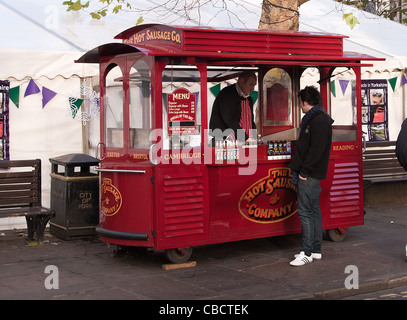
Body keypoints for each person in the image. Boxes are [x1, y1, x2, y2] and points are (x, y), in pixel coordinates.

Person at [288, 86, 334, 267]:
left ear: (306, 102)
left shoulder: (318, 120)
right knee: (313, 210)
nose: (299, 106)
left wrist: (304, 173)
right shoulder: (316, 118)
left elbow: (316, 150)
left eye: (300, 102)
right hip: (311, 172)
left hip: (310, 174)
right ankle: (315, 250)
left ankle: (306, 252)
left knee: (305, 211)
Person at [209, 71, 257, 144]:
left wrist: (254, 137)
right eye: (251, 84)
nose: (253, 88)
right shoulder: (228, 94)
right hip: (224, 140)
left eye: (254, 85)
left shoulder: (248, 99)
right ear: (241, 81)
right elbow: (229, 119)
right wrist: (245, 138)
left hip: (243, 140)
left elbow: (251, 119)